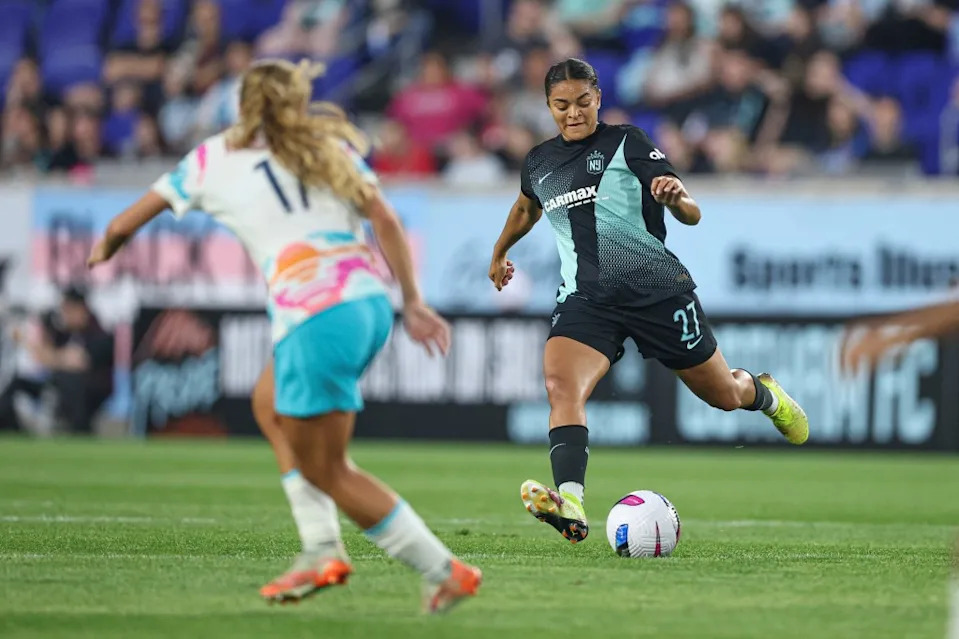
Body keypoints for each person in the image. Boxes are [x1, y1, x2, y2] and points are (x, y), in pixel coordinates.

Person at [87, 59, 481, 612]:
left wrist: (104, 246)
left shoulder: (214, 158)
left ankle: (443, 570)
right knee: (268, 403)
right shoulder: (326, 146)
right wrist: (413, 302)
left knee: (330, 469)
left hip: (315, 319)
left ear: (241, 103)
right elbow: (386, 220)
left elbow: (123, 224)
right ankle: (321, 549)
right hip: (366, 305)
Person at [487, 58, 809, 544]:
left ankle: (763, 394)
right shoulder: (538, 162)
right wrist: (499, 251)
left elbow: (691, 212)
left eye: (582, 102)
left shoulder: (627, 142)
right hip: (586, 300)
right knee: (560, 385)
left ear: (597, 97)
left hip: (656, 292)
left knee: (723, 395)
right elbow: (525, 207)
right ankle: (570, 502)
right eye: (561, 105)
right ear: (548, 106)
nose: (573, 113)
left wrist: (676, 198)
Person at [0, 287, 114, 434]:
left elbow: (77, 361)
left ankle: (79, 430)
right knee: (17, 383)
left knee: (69, 380)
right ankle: (13, 430)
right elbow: (44, 359)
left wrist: (54, 357)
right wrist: (24, 339)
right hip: (57, 385)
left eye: (68, 309)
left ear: (81, 309)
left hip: (88, 391)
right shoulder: (63, 333)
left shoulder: (99, 334)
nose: (64, 314)